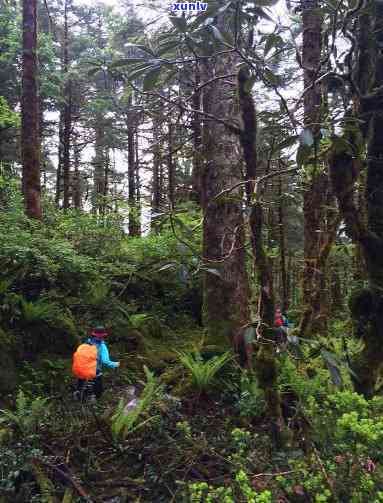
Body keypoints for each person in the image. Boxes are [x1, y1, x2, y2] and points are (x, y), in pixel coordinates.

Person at [75, 326, 120, 401]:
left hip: (81, 373)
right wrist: (117, 364)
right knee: (97, 394)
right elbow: (105, 361)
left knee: (81, 393)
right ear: (103, 336)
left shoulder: (86, 343)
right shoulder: (102, 346)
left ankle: (79, 401)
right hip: (95, 374)